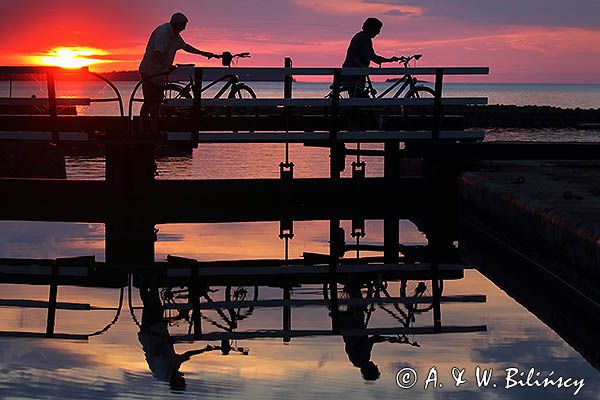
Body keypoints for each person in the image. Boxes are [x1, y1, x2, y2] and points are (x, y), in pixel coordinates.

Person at [139, 12, 219, 135]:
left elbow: (185, 46)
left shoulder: (174, 34)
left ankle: (153, 129)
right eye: (183, 26)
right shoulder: (163, 33)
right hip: (150, 71)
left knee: (156, 102)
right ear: (176, 24)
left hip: (160, 73)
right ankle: (142, 129)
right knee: (149, 101)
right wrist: (167, 66)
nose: (184, 29)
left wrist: (203, 53)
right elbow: (157, 53)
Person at [342, 18, 400, 97]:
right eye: (378, 29)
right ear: (372, 29)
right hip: (353, 73)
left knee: (358, 98)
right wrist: (362, 67)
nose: (379, 32)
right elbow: (352, 55)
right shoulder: (360, 38)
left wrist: (390, 60)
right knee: (357, 98)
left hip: (359, 74)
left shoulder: (366, 39)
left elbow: (372, 56)